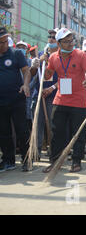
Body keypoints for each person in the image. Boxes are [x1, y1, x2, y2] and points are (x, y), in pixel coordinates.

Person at [42, 28, 86, 173]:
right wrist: (42, 64)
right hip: (60, 100)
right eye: (66, 41)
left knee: (78, 132)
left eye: (72, 40)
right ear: (59, 44)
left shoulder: (81, 54)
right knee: (56, 131)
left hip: (78, 100)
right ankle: (55, 161)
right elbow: (47, 76)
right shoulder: (53, 57)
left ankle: (76, 161)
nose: (71, 43)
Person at [0, 27, 32, 172]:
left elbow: (26, 71)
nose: (4, 45)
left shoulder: (16, 53)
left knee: (22, 130)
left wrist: (25, 84)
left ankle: (27, 159)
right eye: (1, 42)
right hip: (1, 102)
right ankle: (8, 160)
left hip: (17, 99)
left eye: (6, 41)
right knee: (4, 132)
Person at [29, 29, 60, 158]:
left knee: (53, 125)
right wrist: (35, 66)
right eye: (50, 37)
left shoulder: (61, 57)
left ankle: (54, 151)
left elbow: (66, 79)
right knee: (38, 123)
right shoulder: (41, 55)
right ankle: (35, 151)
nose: (51, 39)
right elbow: (32, 75)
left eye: (54, 37)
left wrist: (52, 88)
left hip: (54, 96)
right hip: (39, 94)